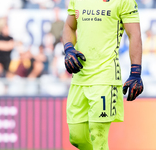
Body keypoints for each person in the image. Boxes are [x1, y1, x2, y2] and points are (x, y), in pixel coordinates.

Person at [62, 0, 144, 149]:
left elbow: (134, 35)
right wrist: (68, 48)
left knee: (97, 133)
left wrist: (136, 72)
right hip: (79, 76)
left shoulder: (124, 1)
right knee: (76, 137)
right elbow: (69, 26)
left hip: (105, 77)